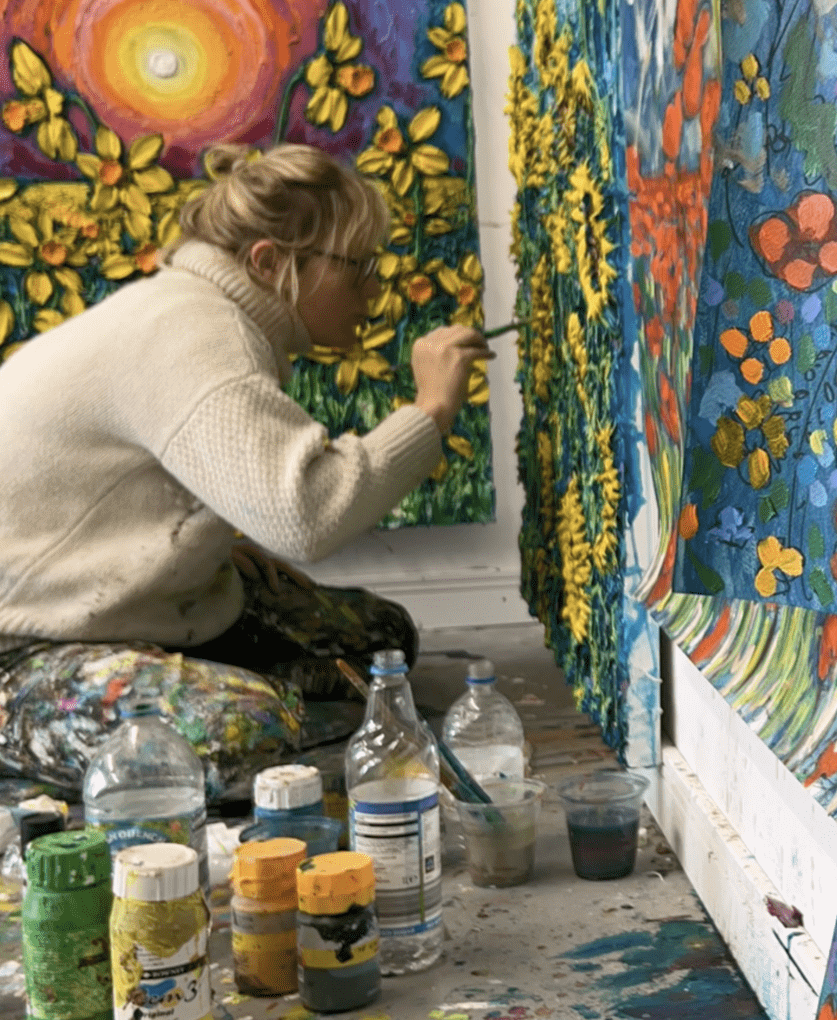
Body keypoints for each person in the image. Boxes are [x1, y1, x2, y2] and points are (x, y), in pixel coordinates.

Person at [0, 143, 492, 798]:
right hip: (24, 641)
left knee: (382, 642)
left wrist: (209, 545)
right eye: (357, 267)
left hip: (111, 607)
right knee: (247, 729)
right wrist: (431, 411)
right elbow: (307, 517)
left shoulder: (198, 313)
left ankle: (193, 683)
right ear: (270, 262)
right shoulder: (194, 332)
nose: (373, 289)